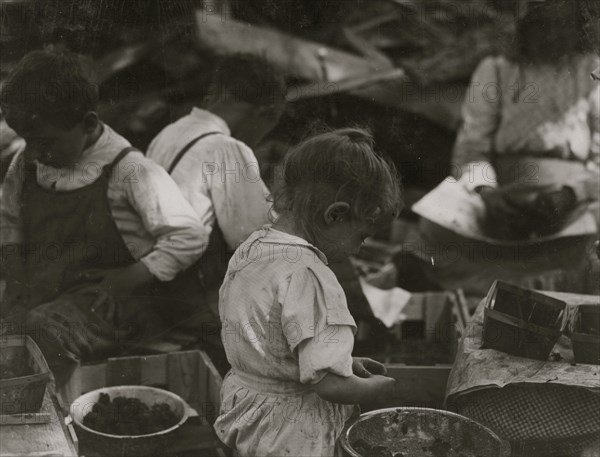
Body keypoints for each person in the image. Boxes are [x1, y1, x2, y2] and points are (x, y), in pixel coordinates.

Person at [0, 50, 205, 386]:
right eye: (28, 141)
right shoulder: (28, 159)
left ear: (90, 123)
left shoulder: (129, 169)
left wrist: (125, 280)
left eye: (46, 142)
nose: (36, 153)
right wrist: (15, 276)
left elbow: (189, 235)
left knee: (35, 335)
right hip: (45, 287)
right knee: (15, 331)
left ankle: (48, 424)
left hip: (110, 303)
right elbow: (8, 218)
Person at [214, 128, 402, 457]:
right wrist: (373, 390)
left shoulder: (254, 247)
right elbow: (329, 385)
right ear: (335, 214)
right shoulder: (310, 276)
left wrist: (345, 362)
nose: (360, 249)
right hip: (292, 431)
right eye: (362, 236)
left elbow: (275, 342)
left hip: (249, 409)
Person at [452, 0, 599, 239]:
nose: (552, 35)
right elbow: (471, 147)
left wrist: (572, 193)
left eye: (562, 25)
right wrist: (485, 191)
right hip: (503, 192)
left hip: (572, 198)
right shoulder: (497, 70)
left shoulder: (591, 73)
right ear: (524, 25)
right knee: (438, 229)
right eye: (542, 24)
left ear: (577, 29)